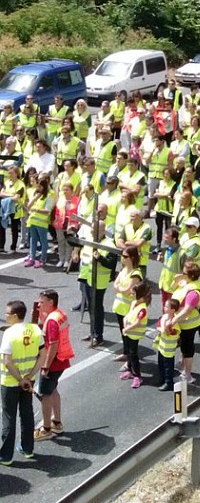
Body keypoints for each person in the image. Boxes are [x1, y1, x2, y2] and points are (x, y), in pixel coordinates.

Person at [1, 299, 43, 465]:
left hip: (10, 381)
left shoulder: (9, 333)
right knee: (26, 414)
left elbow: (7, 361)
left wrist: (19, 379)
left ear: (15, 315)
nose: (5, 316)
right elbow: (42, 356)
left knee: (8, 417)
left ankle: (5, 456)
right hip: (29, 380)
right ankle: (28, 449)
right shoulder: (35, 329)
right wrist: (29, 377)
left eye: (7, 313)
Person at [34, 289, 73, 440]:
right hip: (62, 359)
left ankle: (46, 429)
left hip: (53, 362)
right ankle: (56, 422)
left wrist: (45, 366)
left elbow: (53, 345)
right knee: (53, 390)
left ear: (51, 302)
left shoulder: (51, 321)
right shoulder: (59, 315)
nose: (39, 305)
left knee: (45, 395)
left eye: (42, 302)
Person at [169, 261, 200, 382]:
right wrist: (175, 280)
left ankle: (187, 374)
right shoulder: (186, 283)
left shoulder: (194, 292)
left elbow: (186, 310)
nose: (181, 274)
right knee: (183, 345)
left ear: (191, 276)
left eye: (184, 273)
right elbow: (171, 289)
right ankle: (181, 364)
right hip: (182, 322)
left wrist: (173, 320)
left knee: (187, 348)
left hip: (189, 324)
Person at [112, 246, 143, 361]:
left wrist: (120, 288)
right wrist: (121, 288)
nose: (122, 258)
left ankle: (130, 359)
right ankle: (126, 354)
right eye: (122, 256)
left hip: (130, 309)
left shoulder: (136, 273)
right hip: (120, 307)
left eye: (125, 256)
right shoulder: (123, 269)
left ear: (132, 258)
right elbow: (115, 285)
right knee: (123, 332)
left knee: (130, 334)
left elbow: (127, 290)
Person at [121, 280, 152, 389]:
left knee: (133, 354)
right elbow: (129, 315)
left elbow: (137, 323)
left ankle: (137, 376)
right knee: (129, 353)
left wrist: (126, 329)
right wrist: (125, 322)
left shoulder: (143, 308)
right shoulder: (134, 303)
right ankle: (129, 369)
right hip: (129, 332)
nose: (131, 295)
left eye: (134, 294)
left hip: (134, 334)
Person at [25, 175, 53, 269]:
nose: (38, 188)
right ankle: (32, 258)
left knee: (43, 241)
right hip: (32, 221)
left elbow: (47, 210)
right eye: (38, 186)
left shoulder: (48, 197)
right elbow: (28, 206)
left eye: (40, 186)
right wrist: (36, 197)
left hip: (41, 222)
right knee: (33, 240)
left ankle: (42, 259)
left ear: (44, 187)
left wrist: (36, 210)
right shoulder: (36, 195)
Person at [154, 298, 180, 391]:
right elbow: (159, 326)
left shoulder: (174, 322)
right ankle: (162, 379)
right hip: (162, 346)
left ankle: (168, 382)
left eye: (166, 306)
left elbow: (168, 332)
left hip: (169, 349)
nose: (164, 308)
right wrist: (163, 327)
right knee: (161, 364)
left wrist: (166, 326)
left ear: (173, 310)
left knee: (168, 367)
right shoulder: (164, 317)